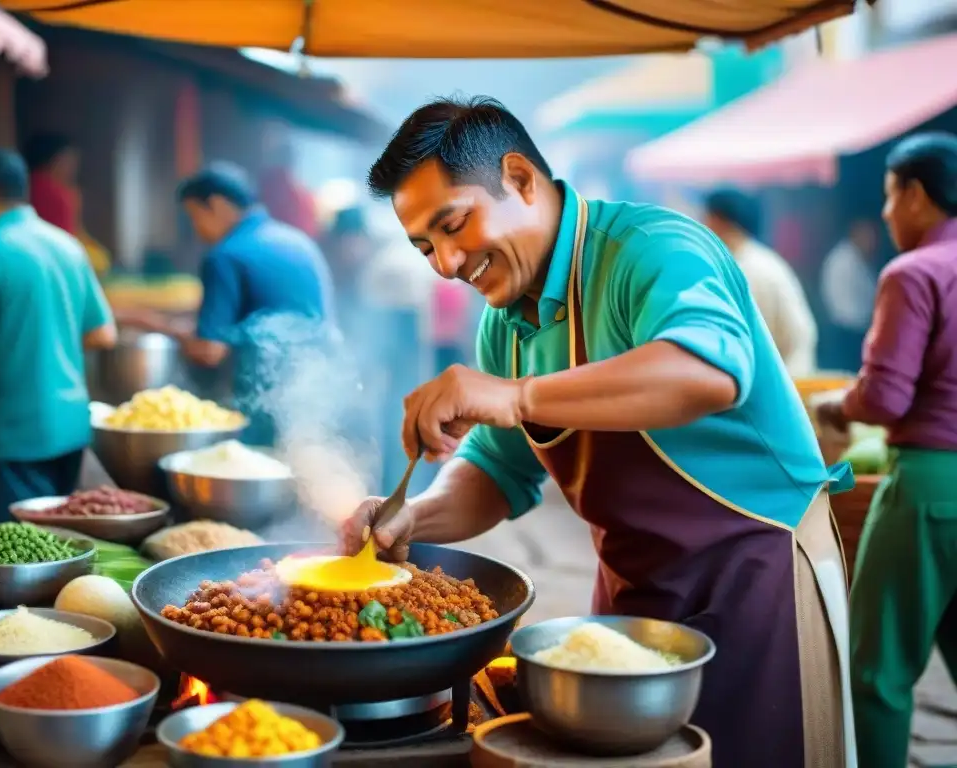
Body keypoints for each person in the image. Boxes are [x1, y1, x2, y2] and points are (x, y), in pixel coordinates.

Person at [344, 97, 854, 768]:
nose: (444, 263)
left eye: (453, 224)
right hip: (634, 591)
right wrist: (411, 517)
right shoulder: (505, 324)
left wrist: (517, 394)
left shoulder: (652, 249)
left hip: (757, 578)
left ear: (522, 179)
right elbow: (499, 470)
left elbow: (706, 370)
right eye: (424, 246)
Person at [816, 132, 957, 768]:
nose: (884, 213)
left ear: (918, 195)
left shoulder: (914, 272)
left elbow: (886, 399)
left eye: (889, 196)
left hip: (928, 488)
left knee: (878, 670)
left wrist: (835, 407)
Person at [0, 149, 115, 522]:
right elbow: (102, 334)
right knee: (59, 548)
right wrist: (44, 344)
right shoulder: (67, 245)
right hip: (71, 427)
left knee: (19, 558)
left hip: (15, 434)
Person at [123, 162, 334, 447]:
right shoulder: (296, 241)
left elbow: (209, 351)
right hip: (320, 391)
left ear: (218, 204)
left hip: (265, 399)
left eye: (194, 216)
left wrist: (152, 324)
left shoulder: (225, 255)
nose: (197, 231)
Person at [702, 189, 818, 376]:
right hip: (788, 377)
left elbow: (745, 343)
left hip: (783, 383)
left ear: (719, 221)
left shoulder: (749, 270)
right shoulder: (758, 260)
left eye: (706, 219)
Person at [23, 134, 111, 276]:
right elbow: (67, 236)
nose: (73, 169)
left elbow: (78, 230)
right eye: (69, 162)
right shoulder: (51, 190)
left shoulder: (63, 190)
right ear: (53, 160)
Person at [820, 220, 879, 372]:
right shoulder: (843, 261)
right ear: (855, 233)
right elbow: (849, 308)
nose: (872, 242)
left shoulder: (859, 259)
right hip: (846, 333)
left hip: (857, 332)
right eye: (868, 236)